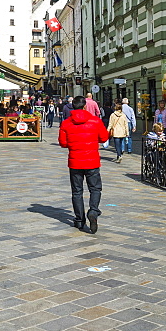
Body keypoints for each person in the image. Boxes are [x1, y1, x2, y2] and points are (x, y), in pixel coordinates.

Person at [59, 96, 109, 233]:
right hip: (92, 160)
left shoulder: (66, 123)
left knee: (77, 191)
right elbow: (104, 138)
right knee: (95, 189)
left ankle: (80, 220)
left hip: (75, 161)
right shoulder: (95, 121)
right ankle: (93, 210)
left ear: (72, 107)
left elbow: (63, 143)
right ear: (85, 106)